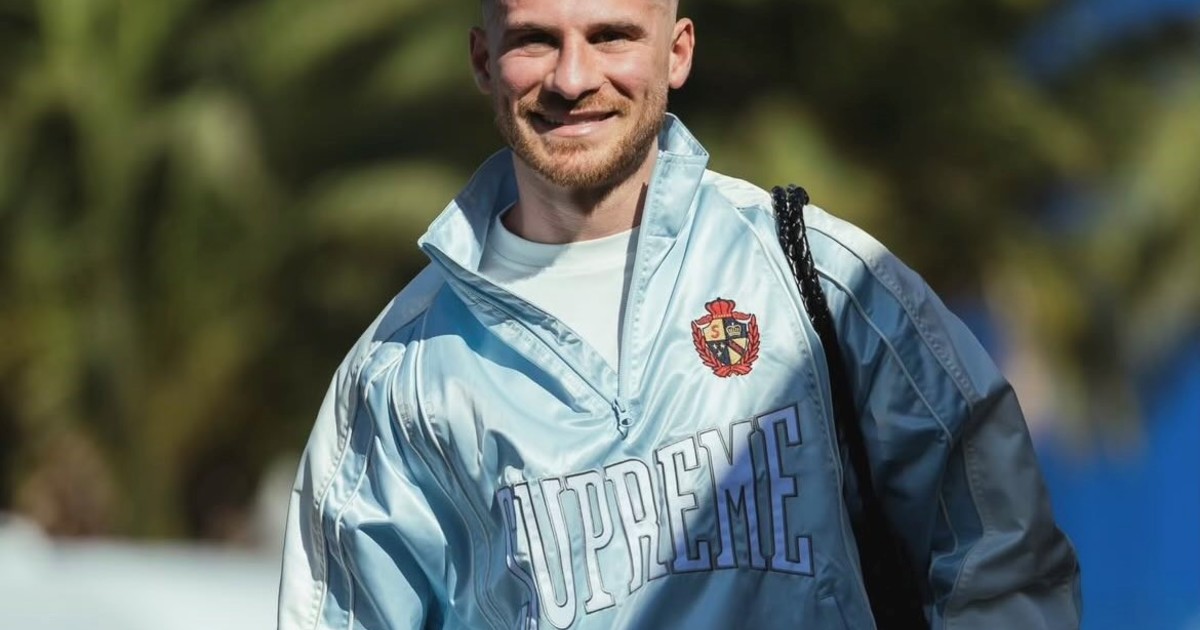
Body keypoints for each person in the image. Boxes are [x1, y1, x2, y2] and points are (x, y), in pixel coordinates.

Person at [277, 0, 1082, 628]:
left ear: (678, 51)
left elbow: (999, 543)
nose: (571, 78)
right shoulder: (399, 375)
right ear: (485, 60)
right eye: (536, 40)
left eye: (611, 36)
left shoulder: (818, 278)